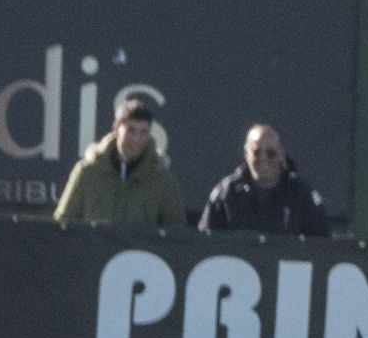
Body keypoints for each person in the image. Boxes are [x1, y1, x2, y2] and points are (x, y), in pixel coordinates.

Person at [54, 97, 184, 228]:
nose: (136, 139)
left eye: (143, 132)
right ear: (116, 128)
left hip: (139, 249)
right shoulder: (87, 171)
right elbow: (63, 223)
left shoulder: (162, 179)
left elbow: (177, 233)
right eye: (130, 130)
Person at [198, 124, 333, 237]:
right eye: (256, 152)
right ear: (246, 154)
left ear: (281, 155)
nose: (263, 158)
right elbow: (204, 241)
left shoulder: (301, 194)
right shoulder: (227, 191)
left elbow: (322, 245)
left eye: (271, 153)